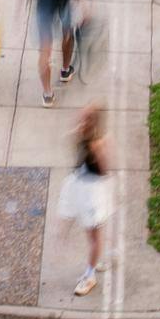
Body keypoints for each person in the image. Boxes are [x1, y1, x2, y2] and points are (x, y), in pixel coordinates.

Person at [59, 105, 113, 296]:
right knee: (91, 233)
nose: (80, 119)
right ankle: (96, 261)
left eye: (85, 118)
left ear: (93, 122)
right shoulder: (83, 134)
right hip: (82, 187)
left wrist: (98, 150)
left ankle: (90, 276)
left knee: (94, 236)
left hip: (92, 193)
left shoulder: (96, 142)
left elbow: (105, 169)